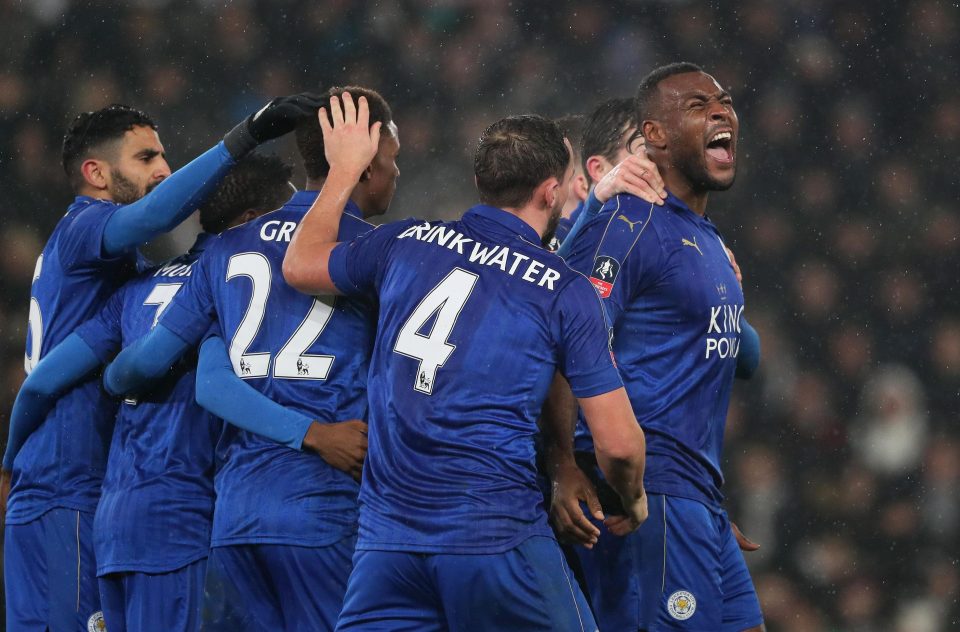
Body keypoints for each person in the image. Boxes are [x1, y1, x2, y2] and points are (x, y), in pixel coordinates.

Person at [281, 94, 652, 631]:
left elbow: (300, 264)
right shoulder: (563, 291)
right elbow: (620, 445)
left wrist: (342, 172)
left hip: (388, 548)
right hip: (495, 538)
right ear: (551, 191)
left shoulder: (405, 243)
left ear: (483, 183)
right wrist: (634, 500)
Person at [2, 94, 321, 632]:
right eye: (147, 158)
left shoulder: (125, 280)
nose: (164, 170)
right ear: (96, 173)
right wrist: (247, 134)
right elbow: (158, 212)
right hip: (78, 495)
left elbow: (41, 383)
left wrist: (12, 462)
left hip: (62, 499)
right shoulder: (87, 227)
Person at [102, 85, 397, 631]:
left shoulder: (226, 248)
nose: (397, 174)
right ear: (367, 159)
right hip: (324, 503)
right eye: (394, 159)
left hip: (236, 518)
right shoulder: (380, 249)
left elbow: (145, 366)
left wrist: (112, 375)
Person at [559, 62, 765, 631]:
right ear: (655, 136)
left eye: (724, 100)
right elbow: (564, 334)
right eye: (698, 106)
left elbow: (745, 357)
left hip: (698, 498)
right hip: (645, 496)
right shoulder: (628, 222)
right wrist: (566, 465)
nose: (722, 110)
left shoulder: (705, 238)